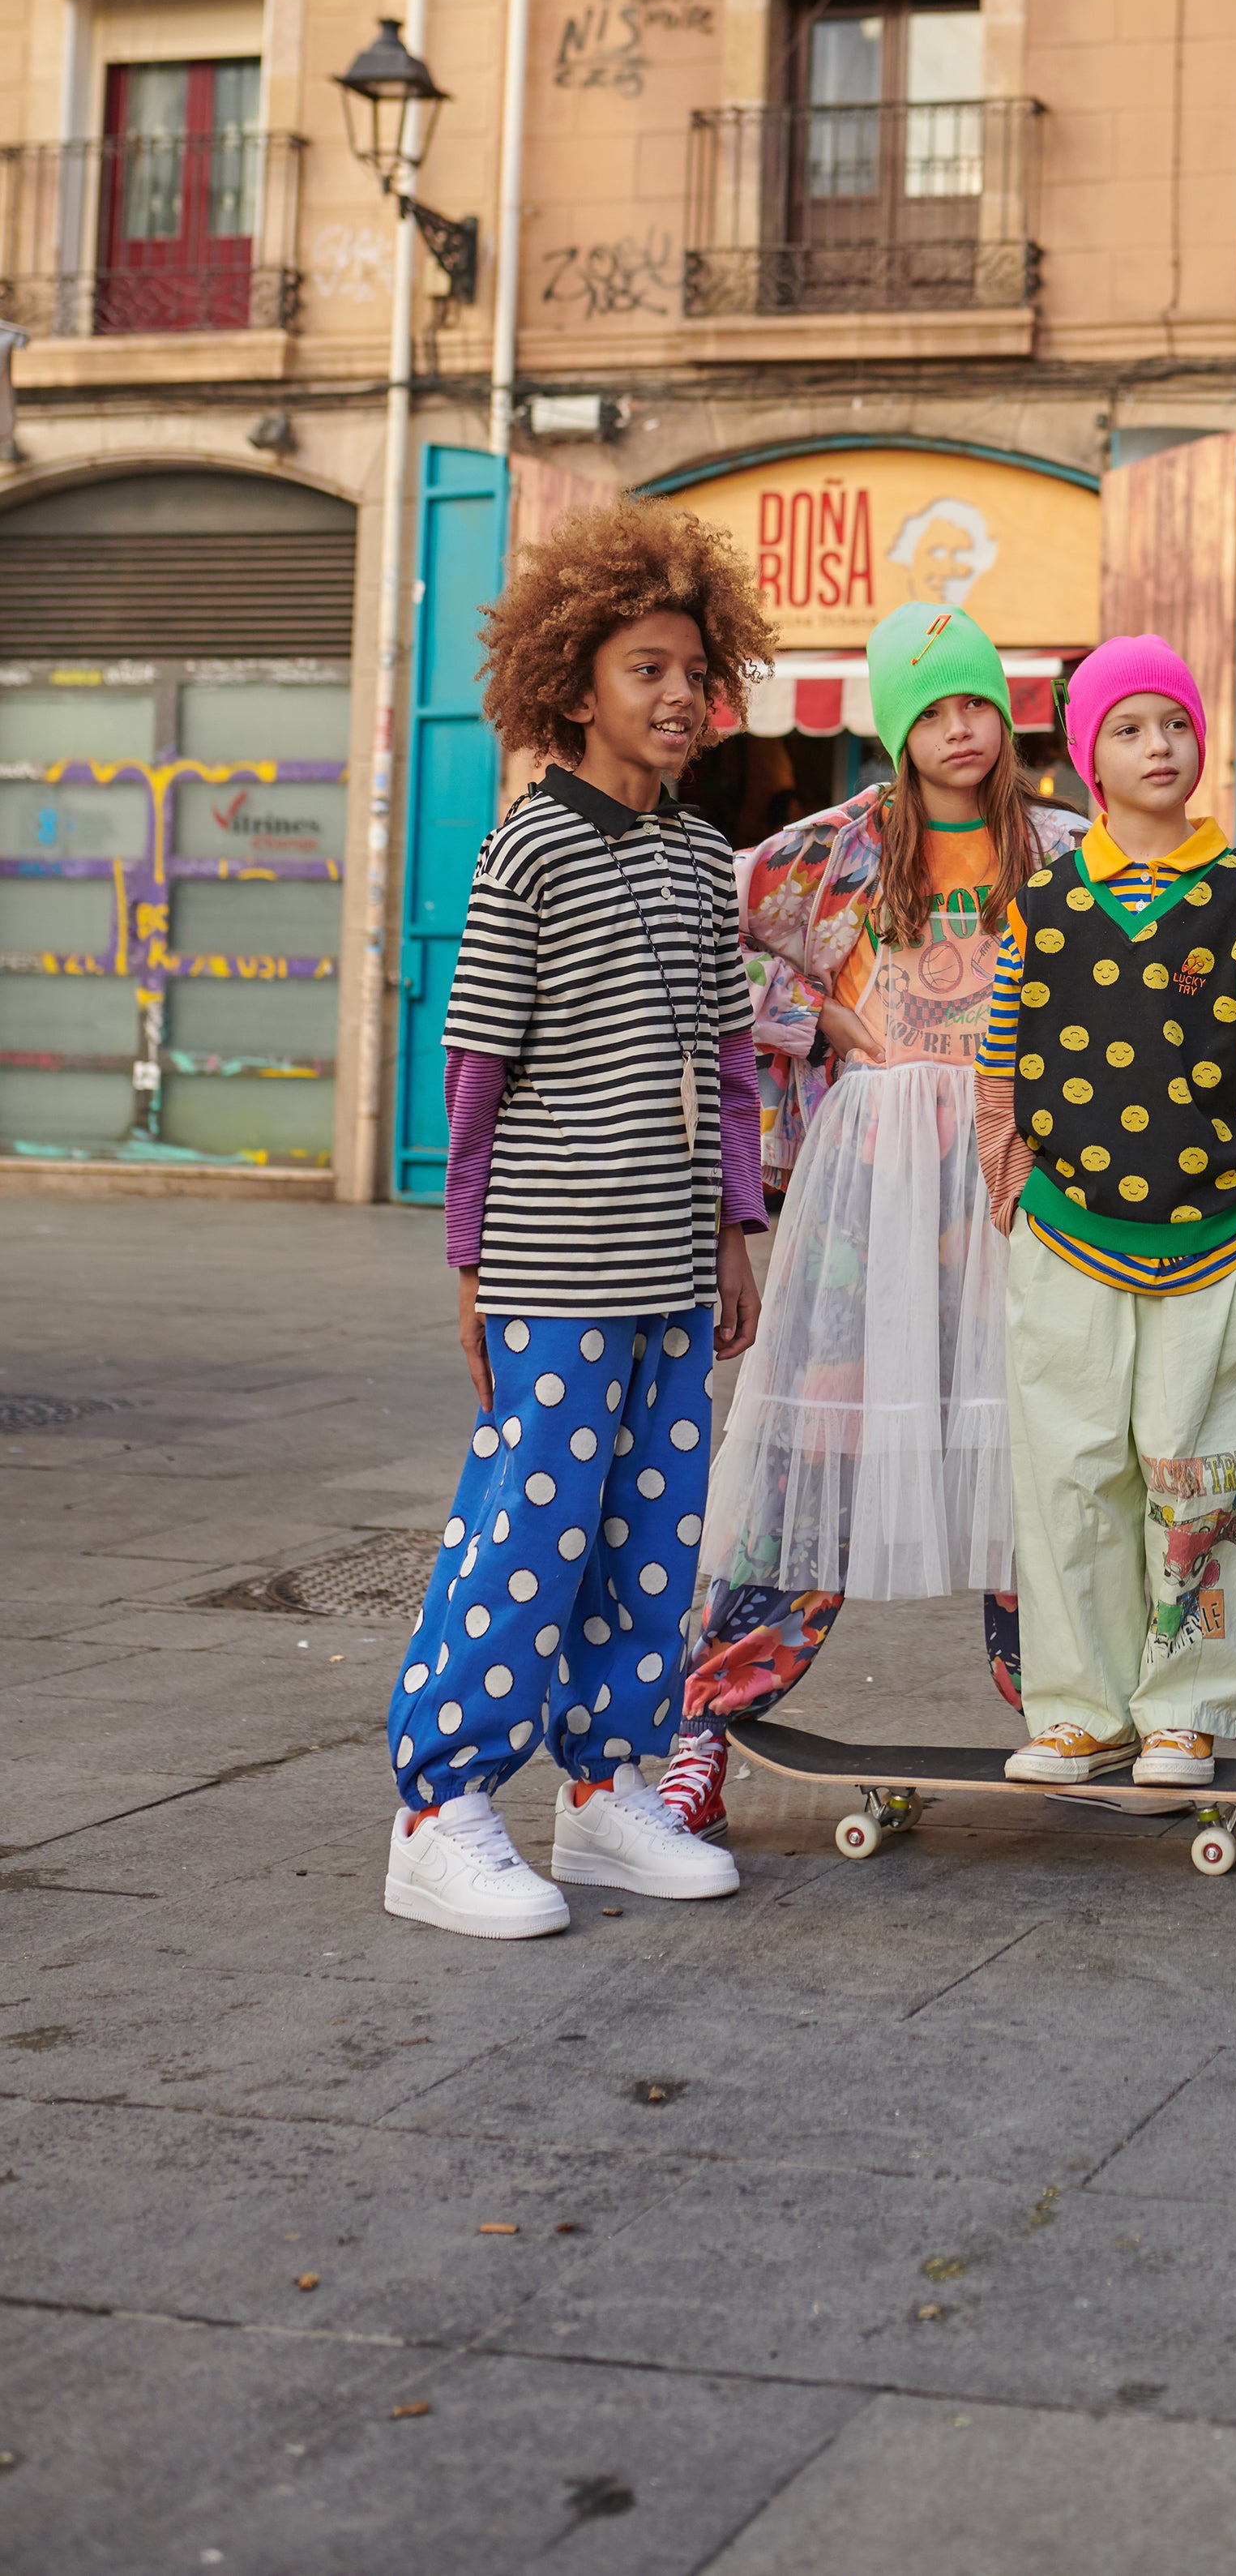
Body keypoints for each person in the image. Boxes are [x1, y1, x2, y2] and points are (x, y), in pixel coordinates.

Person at [383, 500, 772, 1942]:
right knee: (525, 1530)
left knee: (650, 1534)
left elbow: (730, 1064)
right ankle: (438, 1809)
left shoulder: (696, 853)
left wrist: (734, 1231)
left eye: (692, 671)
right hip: (554, 1260)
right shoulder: (528, 850)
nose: (677, 697)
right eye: (644, 672)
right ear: (575, 687)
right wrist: (470, 1269)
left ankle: (605, 1791)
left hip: (674, 1264)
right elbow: (475, 1072)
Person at [664, 605, 1084, 1834]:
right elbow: (700, 939)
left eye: (977, 705)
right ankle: (701, 1728)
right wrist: (810, 1015)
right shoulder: (829, 851)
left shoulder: (1068, 850)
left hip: (1019, 1193)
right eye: (933, 710)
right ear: (897, 729)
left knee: (1040, 1456)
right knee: (815, 1451)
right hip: (868, 1199)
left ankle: (1069, 1708)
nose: (960, 730)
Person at [975, 635, 1236, 1786]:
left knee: (1201, 1475)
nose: (1158, 745)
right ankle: (1078, 1709)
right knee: (1067, 1472)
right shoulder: (1041, 910)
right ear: (1086, 761)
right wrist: (1009, 1186)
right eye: (1128, 728)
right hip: (1066, 1232)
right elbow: (1001, 1058)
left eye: (1174, 723)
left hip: (1217, 1242)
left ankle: (1186, 1711)